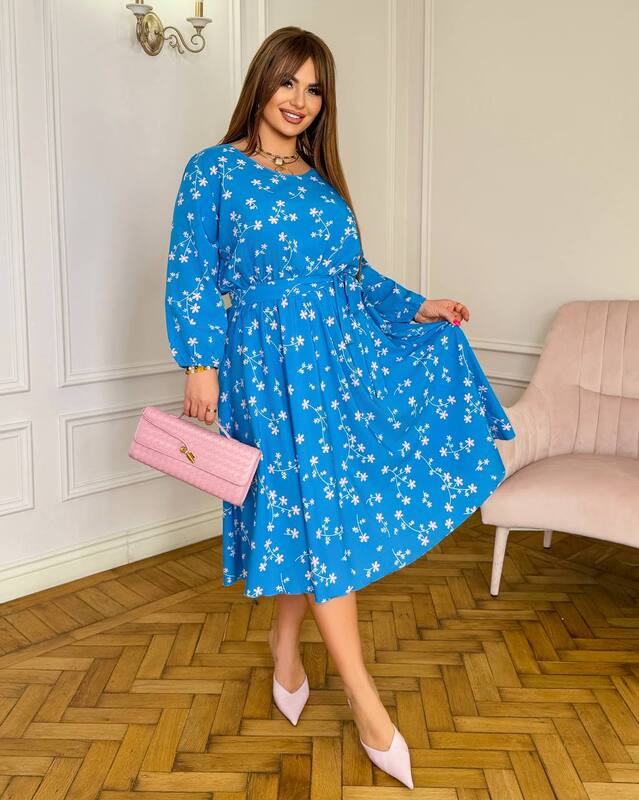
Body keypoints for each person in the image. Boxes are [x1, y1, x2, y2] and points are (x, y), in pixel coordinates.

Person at [164, 26, 515, 790]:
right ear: (262, 82)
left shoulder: (323, 188)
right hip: (263, 372)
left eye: (314, 88)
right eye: (288, 81)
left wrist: (418, 306)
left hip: (331, 369)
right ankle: (366, 703)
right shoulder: (214, 170)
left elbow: (354, 279)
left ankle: (284, 647)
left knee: (310, 517)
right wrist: (200, 362)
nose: (299, 99)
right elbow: (190, 269)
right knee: (311, 516)